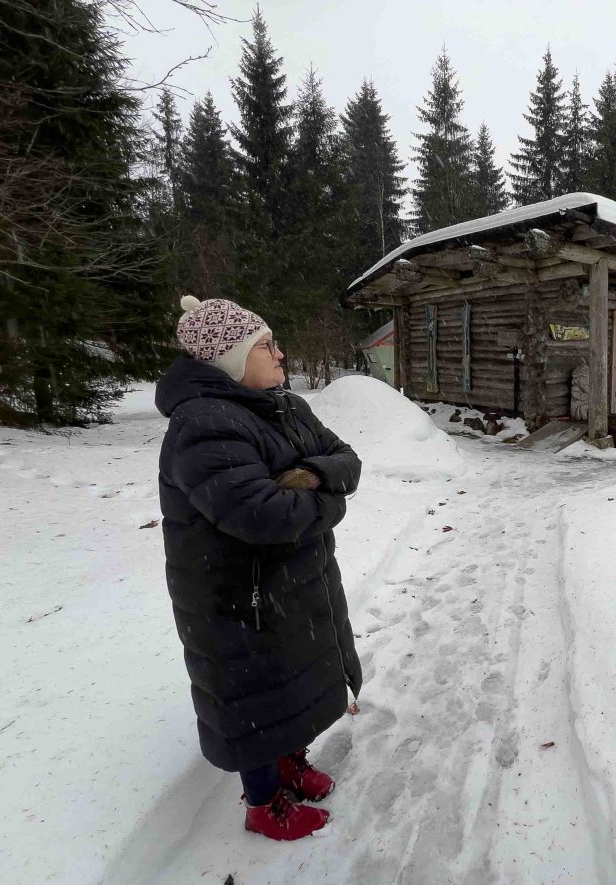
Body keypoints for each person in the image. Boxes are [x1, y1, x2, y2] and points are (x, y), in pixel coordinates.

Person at [156, 295, 363, 841]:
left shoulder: (285, 406)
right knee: (255, 695)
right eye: (265, 345)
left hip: (294, 580)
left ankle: (289, 761)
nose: (280, 352)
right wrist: (330, 501)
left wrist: (311, 477)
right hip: (236, 596)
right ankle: (264, 800)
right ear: (228, 358)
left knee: (293, 677)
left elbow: (346, 458)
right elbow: (262, 514)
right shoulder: (203, 423)